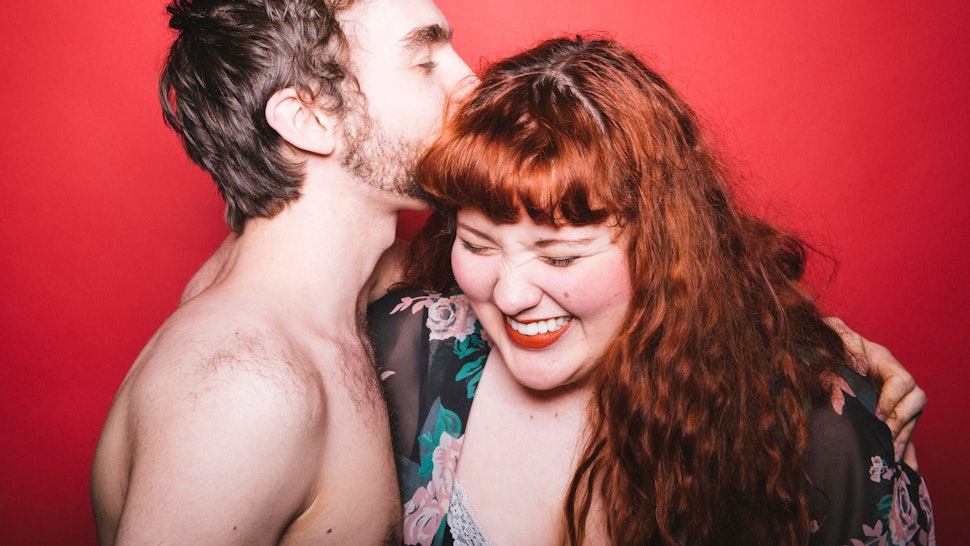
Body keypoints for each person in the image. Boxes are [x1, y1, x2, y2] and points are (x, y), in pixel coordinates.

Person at [369, 36, 934, 545]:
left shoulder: (816, 434)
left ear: (663, 247)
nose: (511, 296)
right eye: (478, 245)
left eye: (561, 256)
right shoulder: (406, 354)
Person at [90, 0, 472, 543]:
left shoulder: (327, 285)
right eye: (425, 62)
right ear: (308, 118)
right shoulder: (247, 389)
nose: (471, 83)